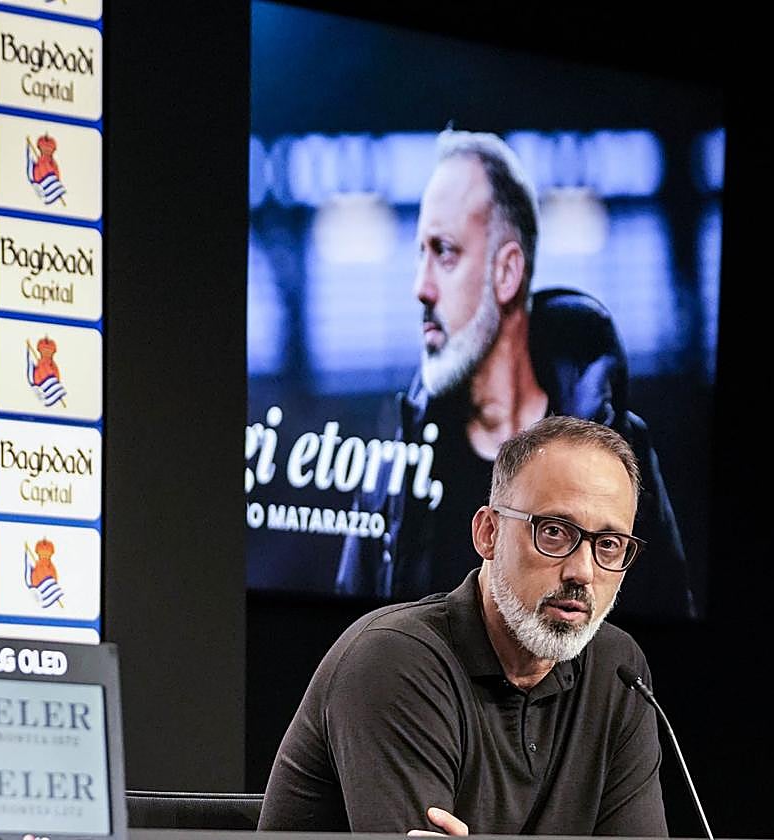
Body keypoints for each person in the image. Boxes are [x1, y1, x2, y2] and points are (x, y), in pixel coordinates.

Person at [336, 129, 695, 619]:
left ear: (506, 273)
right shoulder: (394, 462)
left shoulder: (622, 451)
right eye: (420, 253)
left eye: (444, 252)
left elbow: (666, 624)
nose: (421, 287)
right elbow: (351, 635)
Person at [261, 416, 668, 835]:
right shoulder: (393, 659)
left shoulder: (618, 671)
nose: (582, 571)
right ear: (488, 533)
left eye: (609, 544)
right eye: (553, 532)